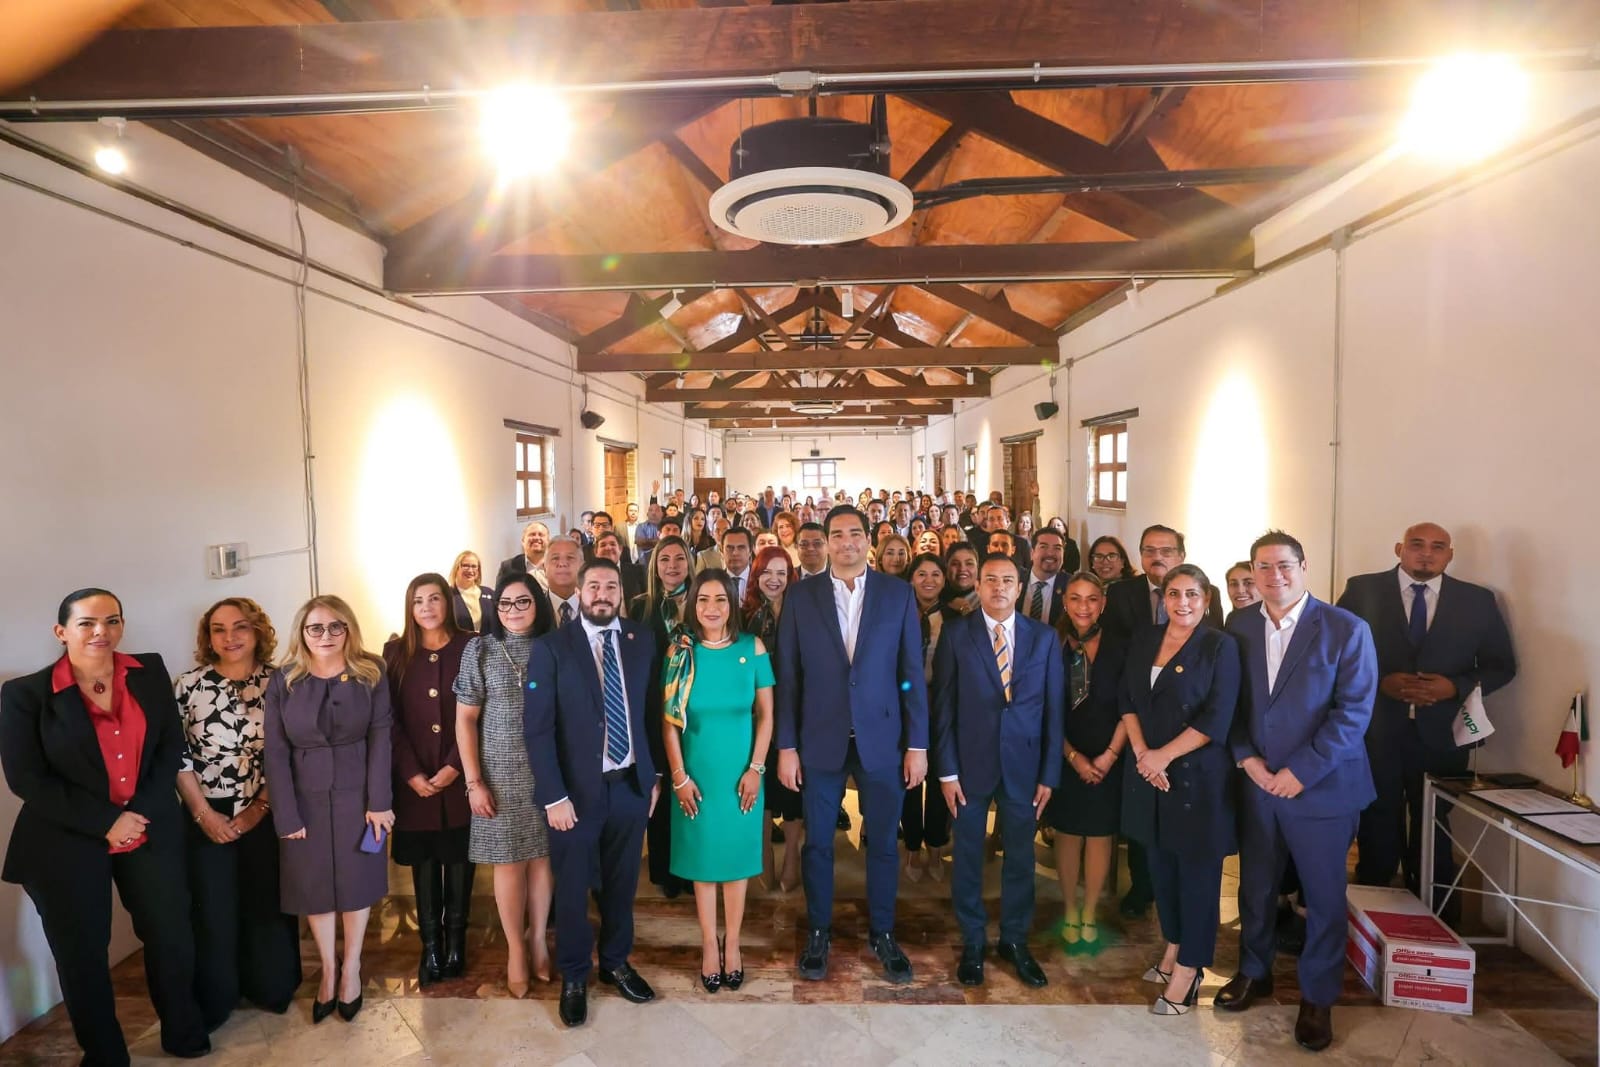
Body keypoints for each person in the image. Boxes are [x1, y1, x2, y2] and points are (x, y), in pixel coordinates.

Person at [1, 589, 210, 1064]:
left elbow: (169, 747)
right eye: (87, 623)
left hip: (148, 826)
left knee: (171, 934)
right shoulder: (25, 694)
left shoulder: (148, 671)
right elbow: (26, 778)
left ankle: (184, 1033)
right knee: (82, 954)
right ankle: (105, 1054)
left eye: (112, 620)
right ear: (61, 632)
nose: (102, 631)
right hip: (65, 839)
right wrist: (107, 821)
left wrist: (138, 814)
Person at [1217, 531, 1378, 1053]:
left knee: (1323, 898)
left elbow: (1353, 713)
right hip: (1258, 783)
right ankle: (1254, 971)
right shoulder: (1239, 625)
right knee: (1256, 888)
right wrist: (1246, 757)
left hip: (1322, 788)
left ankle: (1317, 997)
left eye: (1284, 565)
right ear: (1252, 572)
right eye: (1263, 567)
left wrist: (1301, 772)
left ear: (1304, 567)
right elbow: (1230, 703)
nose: (1275, 576)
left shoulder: (1346, 629)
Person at [776, 505, 929, 984]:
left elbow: (910, 674)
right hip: (819, 739)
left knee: (883, 843)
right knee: (818, 843)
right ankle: (818, 932)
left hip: (882, 739)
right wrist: (786, 746)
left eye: (855, 533)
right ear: (825, 542)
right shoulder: (801, 597)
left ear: (869, 540)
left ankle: (883, 933)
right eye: (837, 534)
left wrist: (918, 744)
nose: (847, 542)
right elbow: (789, 677)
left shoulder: (897, 594)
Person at [1337, 522, 1516, 907]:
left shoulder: (1477, 601)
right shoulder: (1363, 590)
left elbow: (1502, 666)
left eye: (1437, 547)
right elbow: (1334, 655)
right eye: (1417, 544)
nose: (1426, 553)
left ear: (1450, 555)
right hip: (1377, 730)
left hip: (1443, 734)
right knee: (1377, 817)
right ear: (1399, 548)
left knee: (1434, 822)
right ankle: (1372, 908)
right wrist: (1379, 682)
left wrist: (1455, 686)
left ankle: (1436, 913)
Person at [526, 558, 663, 1028]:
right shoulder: (552, 647)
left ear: (621, 592)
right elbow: (537, 729)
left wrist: (653, 776)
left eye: (610, 586)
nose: (602, 594)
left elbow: (650, 713)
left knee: (623, 884)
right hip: (573, 796)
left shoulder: (641, 639)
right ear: (579, 592)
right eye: (594, 586)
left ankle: (616, 962)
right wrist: (553, 796)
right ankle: (574, 974)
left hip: (629, 787)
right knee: (572, 888)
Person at [933, 554, 1063, 988]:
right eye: (990, 579)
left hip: (1025, 767)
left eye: (1008, 580)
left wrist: (1049, 774)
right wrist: (947, 772)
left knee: (1021, 859)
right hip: (970, 766)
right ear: (978, 584)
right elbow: (944, 707)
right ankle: (973, 941)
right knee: (968, 856)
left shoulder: (1044, 638)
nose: (999, 587)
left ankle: (1014, 940)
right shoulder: (956, 633)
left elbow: (1053, 711)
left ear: (1020, 587)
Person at [264, 594, 394, 1023]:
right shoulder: (284, 680)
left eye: (336, 626)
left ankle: (351, 967)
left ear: (348, 629)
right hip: (304, 798)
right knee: (314, 885)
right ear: (302, 633)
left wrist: (380, 802)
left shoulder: (372, 671)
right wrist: (286, 814)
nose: (326, 635)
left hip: (360, 796)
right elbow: (275, 752)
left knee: (357, 881)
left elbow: (381, 738)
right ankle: (328, 968)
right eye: (315, 627)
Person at [175, 598, 301, 1024]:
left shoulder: (281, 682)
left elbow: (290, 753)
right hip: (205, 811)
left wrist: (259, 808)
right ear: (208, 637)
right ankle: (218, 995)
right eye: (219, 629)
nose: (230, 637)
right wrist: (203, 814)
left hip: (266, 808)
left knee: (266, 901)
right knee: (213, 907)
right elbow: (177, 756)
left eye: (240, 627)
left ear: (257, 631)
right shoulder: (188, 686)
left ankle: (271, 985)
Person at [1121, 565, 1240, 1015]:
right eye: (1174, 593)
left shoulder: (1220, 646)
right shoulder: (1146, 639)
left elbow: (1217, 717)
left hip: (1196, 779)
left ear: (1206, 600)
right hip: (1149, 773)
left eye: (1192, 594)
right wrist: (1142, 754)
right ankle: (1173, 945)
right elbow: (1127, 699)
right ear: (1163, 598)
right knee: (1161, 869)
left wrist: (1162, 756)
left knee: (1197, 880)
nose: (1182, 602)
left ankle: (1190, 969)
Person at [663, 569, 775, 992]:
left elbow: (766, 715)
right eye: (703, 599)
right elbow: (669, 722)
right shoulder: (680, 652)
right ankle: (710, 943)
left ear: (732, 603)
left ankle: (734, 944)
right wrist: (679, 777)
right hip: (694, 774)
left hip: (742, 774)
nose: (712, 608)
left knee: (735, 861)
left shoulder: (753, 647)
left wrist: (756, 768)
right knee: (703, 861)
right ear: (692, 604)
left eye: (721, 599)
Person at [1100, 524, 1221, 918]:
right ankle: (1143, 886)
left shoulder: (1207, 598)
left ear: (1180, 555)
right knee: (1142, 822)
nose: (1157, 557)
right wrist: (1141, 749)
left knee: (1182, 831)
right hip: (1139, 720)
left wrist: (1165, 753)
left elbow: (1211, 660)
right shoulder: (1121, 594)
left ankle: (1179, 908)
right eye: (1149, 550)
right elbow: (1120, 661)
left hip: (1188, 735)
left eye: (1166, 550)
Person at [454, 575, 553, 997]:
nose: (513, 610)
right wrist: (473, 782)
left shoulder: (555, 646)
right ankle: (515, 948)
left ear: (538, 604)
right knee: (508, 862)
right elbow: (464, 720)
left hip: (548, 772)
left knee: (543, 859)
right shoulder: (480, 649)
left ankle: (538, 938)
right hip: (497, 774)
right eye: (505, 603)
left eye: (523, 601)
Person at [383, 574, 474, 987]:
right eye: (418, 600)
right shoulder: (395, 653)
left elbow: (481, 711)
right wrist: (410, 773)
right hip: (414, 782)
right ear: (410, 608)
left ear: (447, 603)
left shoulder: (471, 646)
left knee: (459, 860)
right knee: (424, 863)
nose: (427, 607)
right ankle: (431, 946)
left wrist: (456, 766)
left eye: (435, 598)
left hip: (460, 776)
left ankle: (457, 942)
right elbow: (389, 720)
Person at [1045, 573, 1127, 956]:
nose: (1083, 607)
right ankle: (1070, 909)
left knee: (1099, 835)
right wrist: (1072, 757)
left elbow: (1130, 707)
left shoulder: (1121, 645)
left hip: (1110, 754)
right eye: (1075, 598)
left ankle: (1091, 911)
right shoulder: (1051, 643)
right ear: (1064, 602)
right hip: (1064, 751)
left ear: (1103, 603)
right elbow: (1045, 708)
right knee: (1067, 832)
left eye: (1092, 599)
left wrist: (1109, 755)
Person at [630, 535, 694, 898]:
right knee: (662, 789)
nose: (672, 565)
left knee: (692, 785)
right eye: (664, 559)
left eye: (679, 558)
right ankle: (666, 871)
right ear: (655, 566)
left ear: (689, 563)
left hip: (695, 710)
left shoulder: (702, 602)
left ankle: (693, 868)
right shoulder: (641, 607)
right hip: (653, 709)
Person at [743, 545, 803, 891]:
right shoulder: (745, 614)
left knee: (793, 786)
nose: (774, 579)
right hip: (756, 714)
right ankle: (763, 852)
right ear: (757, 575)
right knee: (761, 782)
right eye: (767, 572)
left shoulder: (802, 611)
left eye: (782, 572)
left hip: (796, 709)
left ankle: (792, 855)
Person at [903, 553, 951, 883]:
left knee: (938, 780)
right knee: (908, 781)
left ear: (945, 580)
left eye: (936, 574)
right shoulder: (899, 612)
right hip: (905, 707)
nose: (929, 580)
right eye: (922, 574)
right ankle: (912, 848)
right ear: (911, 579)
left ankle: (935, 846)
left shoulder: (955, 618)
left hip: (942, 707)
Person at [1020, 528, 1072, 625]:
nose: (1050, 553)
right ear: (1032, 553)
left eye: (1057, 548)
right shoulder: (1014, 580)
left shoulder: (1072, 586)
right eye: (1043, 547)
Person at [595, 529, 645, 606]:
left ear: (620, 549)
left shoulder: (638, 571)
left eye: (612, 544)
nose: (608, 548)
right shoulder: (589, 576)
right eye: (603, 545)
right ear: (595, 552)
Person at [449, 550, 495, 633]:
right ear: (457, 568)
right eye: (465, 565)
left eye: (474, 566)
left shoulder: (490, 593)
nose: (470, 570)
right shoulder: (447, 595)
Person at [497, 520, 551, 590]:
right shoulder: (508, 567)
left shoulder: (558, 565)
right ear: (523, 541)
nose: (536, 538)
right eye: (532, 534)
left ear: (549, 541)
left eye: (541, 535)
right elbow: (499, 595)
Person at [544, 537, 585, 626]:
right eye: (555, 558)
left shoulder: (596, 608)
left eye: (570, 557)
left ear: (582, 567)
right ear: (544, 568)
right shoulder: (533, 609)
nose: (562, 563)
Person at [714, 526, 755, 603]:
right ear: (721, 552)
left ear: (750, 551)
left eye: (741, 547)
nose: (735, 553)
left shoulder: (760, 580)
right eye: (729, 548)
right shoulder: (715, 583)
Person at [942, 544, 981, 618]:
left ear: (978, 567)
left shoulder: (987, 600)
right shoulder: (935, 597)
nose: (962, 569)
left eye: (969, 563)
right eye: (955, 564)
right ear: (946, 567)